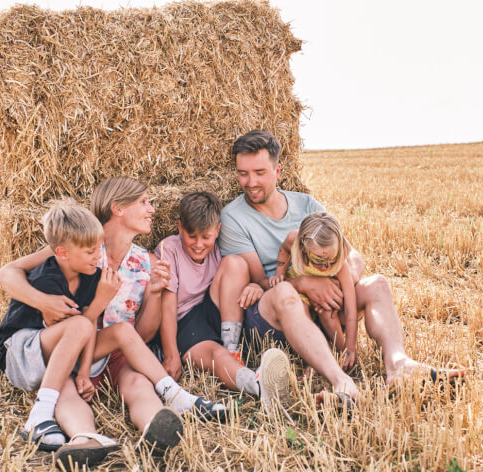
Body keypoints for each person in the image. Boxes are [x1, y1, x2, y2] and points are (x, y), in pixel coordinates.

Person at [218, 130, 464, 403]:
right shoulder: (233, 217)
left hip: (324, 308)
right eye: (243, 173)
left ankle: (398, 364)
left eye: (260, 172)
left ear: (278, 170)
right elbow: (260, 283)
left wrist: (334, 287)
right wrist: (304, 285)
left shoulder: (306, 205)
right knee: (286, 294)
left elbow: (351, 256)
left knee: (378, 284)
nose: (250, 182)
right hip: (275, 312)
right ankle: (341, 381)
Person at [0, 177, 226, 464]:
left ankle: (157, 427)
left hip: (103, 349)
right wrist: (43, 302)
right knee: (64, 386)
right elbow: (6, 273)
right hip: (59, 347)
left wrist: (154, 294)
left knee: (138, 381)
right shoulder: (81, 245)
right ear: (117, 208)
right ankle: (83, 437)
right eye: (143, 202)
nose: (152, 209)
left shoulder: (146, 262)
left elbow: (139, 335)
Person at [0, 200, 121, 469]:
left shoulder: (87, 260)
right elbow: (5, 274)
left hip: (58, 353)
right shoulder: (55, 261)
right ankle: (40, 413)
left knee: (67, 388)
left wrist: (84, 372)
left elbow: (87, 327)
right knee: (79, 329)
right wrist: (43, 301)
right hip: (28, 347)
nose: (98, 254)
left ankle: (82, 437)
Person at [156, 191, 292, 408]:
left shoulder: (220, 246)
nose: (199, 244)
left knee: (235, 263)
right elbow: (167, 307)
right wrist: (171, 353)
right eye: (192, 236)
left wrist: (255, 285)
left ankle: (233, 349)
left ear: (217, 230)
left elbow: (237, 277)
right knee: (216, 354)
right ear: (180, 228)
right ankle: (256, 385)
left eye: (206, 237)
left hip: (212, 306)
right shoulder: (168, 250)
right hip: (185, 323)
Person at [269, 211, 357, 370]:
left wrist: (351, 347)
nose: (325, 266)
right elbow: (284, 250)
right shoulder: (293, 241)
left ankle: (341, 352)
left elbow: (351, 309)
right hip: (300, 292)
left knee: (328, 313)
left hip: (324, 296)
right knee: (301, 314)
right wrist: (279, 273)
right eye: (318, 259)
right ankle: (314, 358)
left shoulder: (340, 266)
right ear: (303, 247)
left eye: (332, 258)